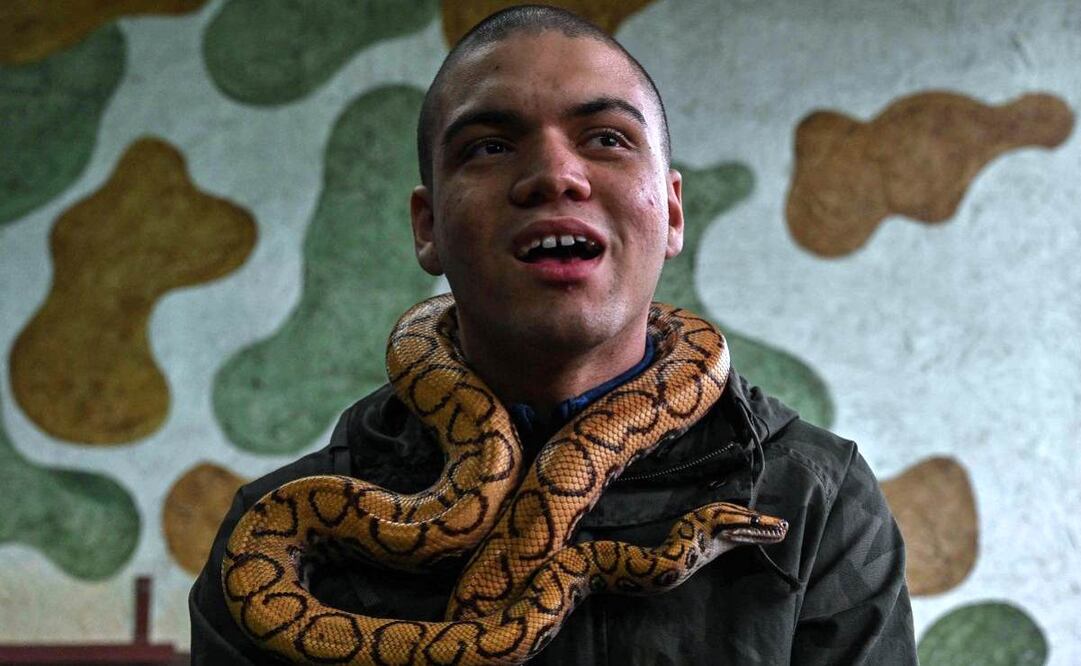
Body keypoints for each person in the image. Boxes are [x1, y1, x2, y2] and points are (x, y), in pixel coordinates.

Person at [189, 5, 917, 664]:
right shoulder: (263, 536)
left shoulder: (814, 502)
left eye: (605, 138)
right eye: (487, 146)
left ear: (670, 213)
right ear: (427, 228)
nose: (555, 174)